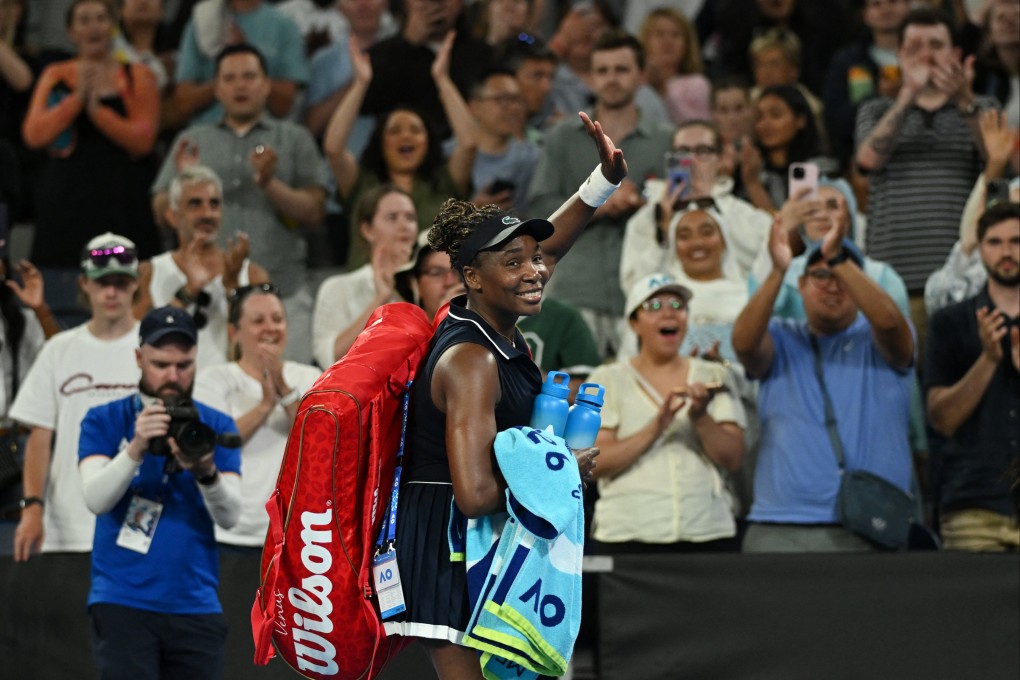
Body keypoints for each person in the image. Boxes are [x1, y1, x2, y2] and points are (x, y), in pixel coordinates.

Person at [382, 111, 621, 679]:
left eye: (534, 257)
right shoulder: (472, 360)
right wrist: (562, 474)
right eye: (512, 262)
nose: (534, 271)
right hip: (450, 544)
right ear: (472, 277)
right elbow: (474, 494)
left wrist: (602, 182)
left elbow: (547, 249)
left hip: (477, 541)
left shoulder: (494, 320)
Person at [732, 219, 916, 552]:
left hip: (868, 527)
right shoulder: (781, 335)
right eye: (821, 275)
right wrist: (777, 271)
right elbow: (744, 345)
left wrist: (837, 259)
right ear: (800, 285)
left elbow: (889, 322)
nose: (832, 285)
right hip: (779, 526)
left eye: (843, 275)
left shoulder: (882, 340)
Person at [77, 305, 241, 678]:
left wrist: (206, 472)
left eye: (184, 365)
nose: (172, 376)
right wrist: (135, 447)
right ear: (138, 358)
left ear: (196, 361)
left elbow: (230, 517)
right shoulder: (104, 419)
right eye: (160, 364)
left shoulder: (214, 425)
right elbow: (95, 499)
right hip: (123, 598)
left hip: (196, 602)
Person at [152, 43, 329, 363]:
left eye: (249, 76)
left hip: (282, 291)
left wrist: (269, 185)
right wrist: (187, 181)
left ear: (266, 85)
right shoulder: (193, 139)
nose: (240, 85)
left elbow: (315, 212)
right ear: (217, 89)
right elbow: (161, 208)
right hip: (211, 296)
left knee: (288, 398)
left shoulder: (294, 138)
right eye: (230, 78)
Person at [529, 30, 673, 356]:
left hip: (642, 290)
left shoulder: (666, 141)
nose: (611, 79)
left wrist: (644, 205)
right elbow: (540, 212)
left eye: (621, 70)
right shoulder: (562, 137)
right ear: (590, 77)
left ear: (641, 76)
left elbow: (677, 211)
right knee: (571, 396)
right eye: (603, 70)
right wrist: (599, 204)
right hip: (575, 289)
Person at [21, 0, 161, 325]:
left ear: (113, 26)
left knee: (126, 303)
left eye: (101, 18)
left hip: (122, 204)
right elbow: (34, 134)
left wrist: (98, 112)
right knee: (61, 308)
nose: (93, 26)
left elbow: (142, 140)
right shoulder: (56, 74)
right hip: (65, 207)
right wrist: (76, 101)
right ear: (71, 31)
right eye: (84, 20)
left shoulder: (136, 74)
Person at [855, 7, 991, 333]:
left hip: (964, 278)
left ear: (956, 54)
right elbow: (867, 161)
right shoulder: (876, 109)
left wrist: (965, 100)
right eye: (915, 47)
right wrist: (907, 96)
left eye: (936, 45)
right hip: (893, 278)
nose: (926, 55)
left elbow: (999, 164)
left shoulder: (982, 109)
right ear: (899, 54)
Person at [589, 273, 745, 552]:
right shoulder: (606, 378)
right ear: (634, 323)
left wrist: (701, 418)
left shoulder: (713, 375)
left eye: (677, 306)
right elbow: (595, 463)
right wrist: (657, 426)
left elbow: (733, 458)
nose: (668, 315)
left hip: (706, 530)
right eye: (654, 307)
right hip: (627, 533)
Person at [9, 232, 142, 560]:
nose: (111, 292)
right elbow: (40, 436)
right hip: (67, 524)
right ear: (84, 283)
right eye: (101, 282)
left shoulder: (155, 347)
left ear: (136, 283)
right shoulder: (58, 350)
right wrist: (32, 507)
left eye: (120, 282)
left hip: (138, 526)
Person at [323, 32, 476, 268]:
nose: (405, 136)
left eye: (415, 130)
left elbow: (468, 143)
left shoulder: (444, 182)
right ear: (380, 143)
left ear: (429, 142)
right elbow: (333, 148)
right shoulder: (363, 183)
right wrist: (361, 84)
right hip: (368, 297)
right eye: (394, 131)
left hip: (430, 296)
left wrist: (442, 79)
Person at [194, 283, 320, 549]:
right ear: (234, 333)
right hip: (226, 533)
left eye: (277, 319)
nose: (270, 328)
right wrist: (265, 405)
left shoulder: (309, 377)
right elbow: (211, 444)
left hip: (290, 537)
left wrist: (283, 390)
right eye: (258, 321)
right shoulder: (213, 380)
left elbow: (320, 440)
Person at [924, 201, 1019, 552]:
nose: (1006, 252)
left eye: (1016, 241)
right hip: (972, 508)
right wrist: (989, 360)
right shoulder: (949, 324)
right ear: (980, 250)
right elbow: (942, 419)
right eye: (995, 242)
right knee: (970, 610)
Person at [137, 165, 269, 368]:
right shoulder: (148, 273)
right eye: (195, 204)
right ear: (172, 216)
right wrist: (189, 290)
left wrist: (233, 287)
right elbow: (142, 341)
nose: (207, 213)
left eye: (214, 204)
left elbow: (260, 353)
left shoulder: (252, 275)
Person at [622, 119, 772, 296]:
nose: (691, 161)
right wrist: (662, 230)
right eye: (682, 152)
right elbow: (634, 289)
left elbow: (768, 277)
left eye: (702, 151)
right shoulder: (646, 220)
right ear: (669, 159)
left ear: (721, 159)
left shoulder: (747, 217)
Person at [312, 184, 417, 368]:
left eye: (410, 217)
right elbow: (330, 359)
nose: (404, 226)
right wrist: (381, 298)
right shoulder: (337, 288)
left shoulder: (429, 283)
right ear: (367, 230)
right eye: (392, 217)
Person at [173, 0, 308, 124]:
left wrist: (246, 55)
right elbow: (184, 103)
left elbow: (283, 106)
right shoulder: (202, 22)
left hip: (264, 137)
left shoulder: (284, 26)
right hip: (208, 135)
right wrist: (228, 79)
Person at [822, 0, 911, 169]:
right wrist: (879, 95)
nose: (886, 9)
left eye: (893, 1)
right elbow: (835, 121)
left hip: (916, 151)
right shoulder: (847, 61)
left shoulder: (926, 56)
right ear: (864, 14)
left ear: (909, 5)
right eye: (876, 4)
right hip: (863, 162)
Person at [740, 84, 829, 211]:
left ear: (801, 120)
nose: (765, 124)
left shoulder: (819, 168)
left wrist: (753, 185)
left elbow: (796, 226)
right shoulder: (756, 169)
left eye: (776, 115)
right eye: (759, 117)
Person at [465, 69, 540, 216]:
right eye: (501, 99)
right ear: (474, 106)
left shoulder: (533, 156)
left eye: (516, 100)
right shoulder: (453, 153)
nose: (512, 108)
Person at [637, 6, 711, 125]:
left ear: (687, 44)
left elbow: (698, 128)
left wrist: (662, 91)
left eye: (675, 34)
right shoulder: (634, 84)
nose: (667, 41)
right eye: (659, 34)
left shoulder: (697, 84)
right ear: (645, 40)